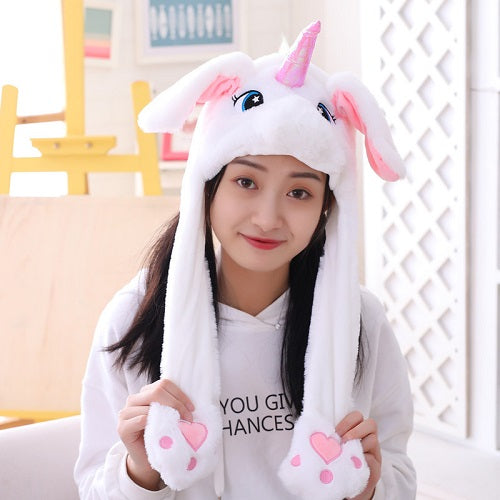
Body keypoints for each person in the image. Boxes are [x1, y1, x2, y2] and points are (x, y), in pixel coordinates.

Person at [74, 21, 416, 500]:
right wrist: (141, 472)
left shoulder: (361, 322)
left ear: (328, 206)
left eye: (300, 192)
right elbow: (91, 485)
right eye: (246, 182)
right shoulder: (136, 318)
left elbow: (400, 473)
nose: (268, 218)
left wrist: (369, 489)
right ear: (207, 185)